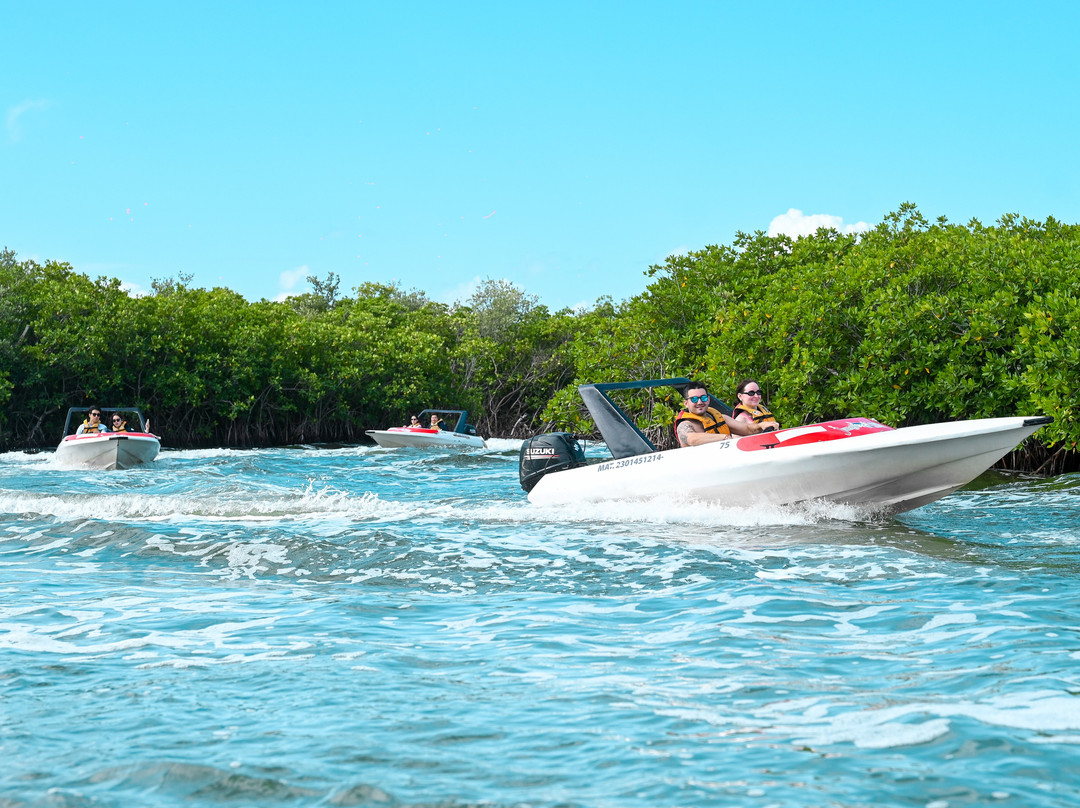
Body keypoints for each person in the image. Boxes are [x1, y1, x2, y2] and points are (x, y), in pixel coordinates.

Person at [674, 382, 771, 448]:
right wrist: (723, 438)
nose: (700, 402)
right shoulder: (684, 425)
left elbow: (748, 429)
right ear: (686, 403)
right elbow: (692, 439)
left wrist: (761, 426)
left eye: (703, 398)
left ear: (708, 399)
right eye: (694, 399)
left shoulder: (721, 418)